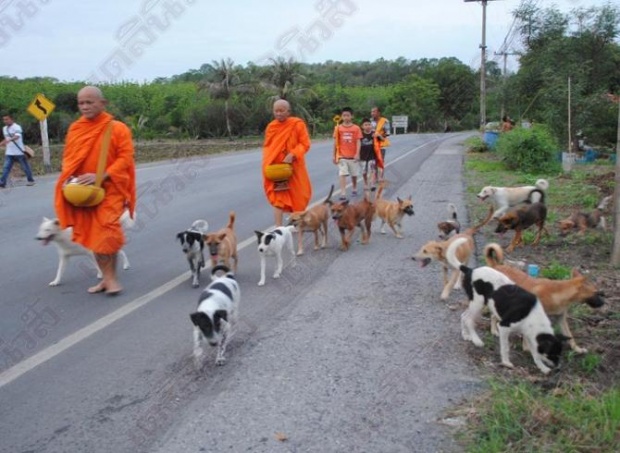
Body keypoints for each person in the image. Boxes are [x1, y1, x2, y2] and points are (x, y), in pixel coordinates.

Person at [54, 86, 136, 295]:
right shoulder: (75, 128)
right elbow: (70, 159)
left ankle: (111, 279)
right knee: (94, 238)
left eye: (90, 102)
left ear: (103, 103)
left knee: (107, 233)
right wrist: (71, 180)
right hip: (84, 193)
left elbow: (125, 158)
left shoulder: (117, 128)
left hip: (110, 189)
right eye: (81, 103)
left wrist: (101, 176)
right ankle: (106, 279)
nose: (85, 106)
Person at [262, 99, 312, 226]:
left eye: (281, 111)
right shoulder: (271, 127)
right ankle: (278, 228)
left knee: (300, 195)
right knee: (278, 198)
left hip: (294, 167)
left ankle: (297, 222)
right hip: (278, 169)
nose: (278, 114)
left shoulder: (297, 124)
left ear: (288, 111)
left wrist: (293, 154)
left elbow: (305, 144)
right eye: (276, 111)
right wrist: (269, 163)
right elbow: (268, 147)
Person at [333, 107, 362, 199]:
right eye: (344, 115)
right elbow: (335, 142)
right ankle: (343, 193)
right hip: (342, 156)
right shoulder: (338, 128)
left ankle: (354, 188)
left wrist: (357, 153)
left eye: (348, 115)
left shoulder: (356, 128)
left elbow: (358, 141)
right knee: (342, 173)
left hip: (353, 157)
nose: (346, 117)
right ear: (341, 117)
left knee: (354, 175)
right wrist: (334, 155)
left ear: (352, 116)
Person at [0, 114, 36, 188]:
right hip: (9, 152)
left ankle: (30, 180)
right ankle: (2, 182)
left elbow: (17, 136)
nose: (5, 121)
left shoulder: (17, 127)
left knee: (25, 167)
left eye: (7, 119)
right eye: (4, 120)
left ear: (11, 119)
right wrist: (2, 143)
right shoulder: (4, 128)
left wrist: (9, 140)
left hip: (19, 152)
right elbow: (6, 138)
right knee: (6, 167)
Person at [359, 118, 384, 191]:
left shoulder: (374, 133)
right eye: (365, 125)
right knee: (364, 171)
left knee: (372, 170)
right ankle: (365, 183)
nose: (367, 126)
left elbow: (383, 139)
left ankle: (372, 184)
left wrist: (378, 135)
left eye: (369, 124)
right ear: (362, 126)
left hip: (372, 156)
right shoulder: (360, 134)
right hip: (362, 156)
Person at [370, 106, 391, 180]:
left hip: (381, 144)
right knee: (372, 162)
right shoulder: (370, 122)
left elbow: (387, 133)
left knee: (380, 160)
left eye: (374, 112)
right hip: (372, 144)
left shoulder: (385, 121)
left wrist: (379, 135)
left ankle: (380, 177)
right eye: (371, 112)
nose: (372, 113)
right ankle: (374, 177)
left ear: (378, 113)